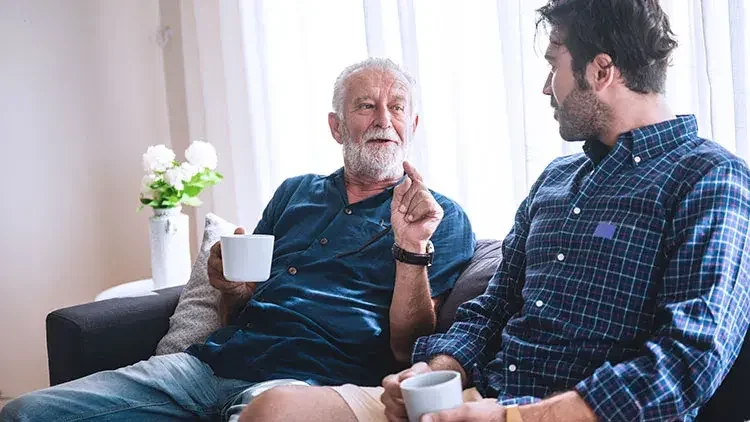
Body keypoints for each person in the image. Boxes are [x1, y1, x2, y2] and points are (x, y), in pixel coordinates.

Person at [0, 58, 475, 422]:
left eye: (396, 108)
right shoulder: (296, 192)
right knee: (22, 412)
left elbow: (408, 348)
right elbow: (240, 307)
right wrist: (231, 287)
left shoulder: (438, 216)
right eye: (365, 106)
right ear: (336, 126)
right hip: (208, 366)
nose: (382, 119)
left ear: (411, 127)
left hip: (305, 383)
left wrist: (411, 249)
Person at [373, 1, 750, 421]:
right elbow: (494, 306)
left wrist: (512, 418)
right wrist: (437, 372)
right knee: (287, 404)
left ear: (600, 71)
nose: (546, 86)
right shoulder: (556, 178)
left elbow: (688, 361)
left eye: (554, 65)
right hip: (482, 399)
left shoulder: (711, 178)